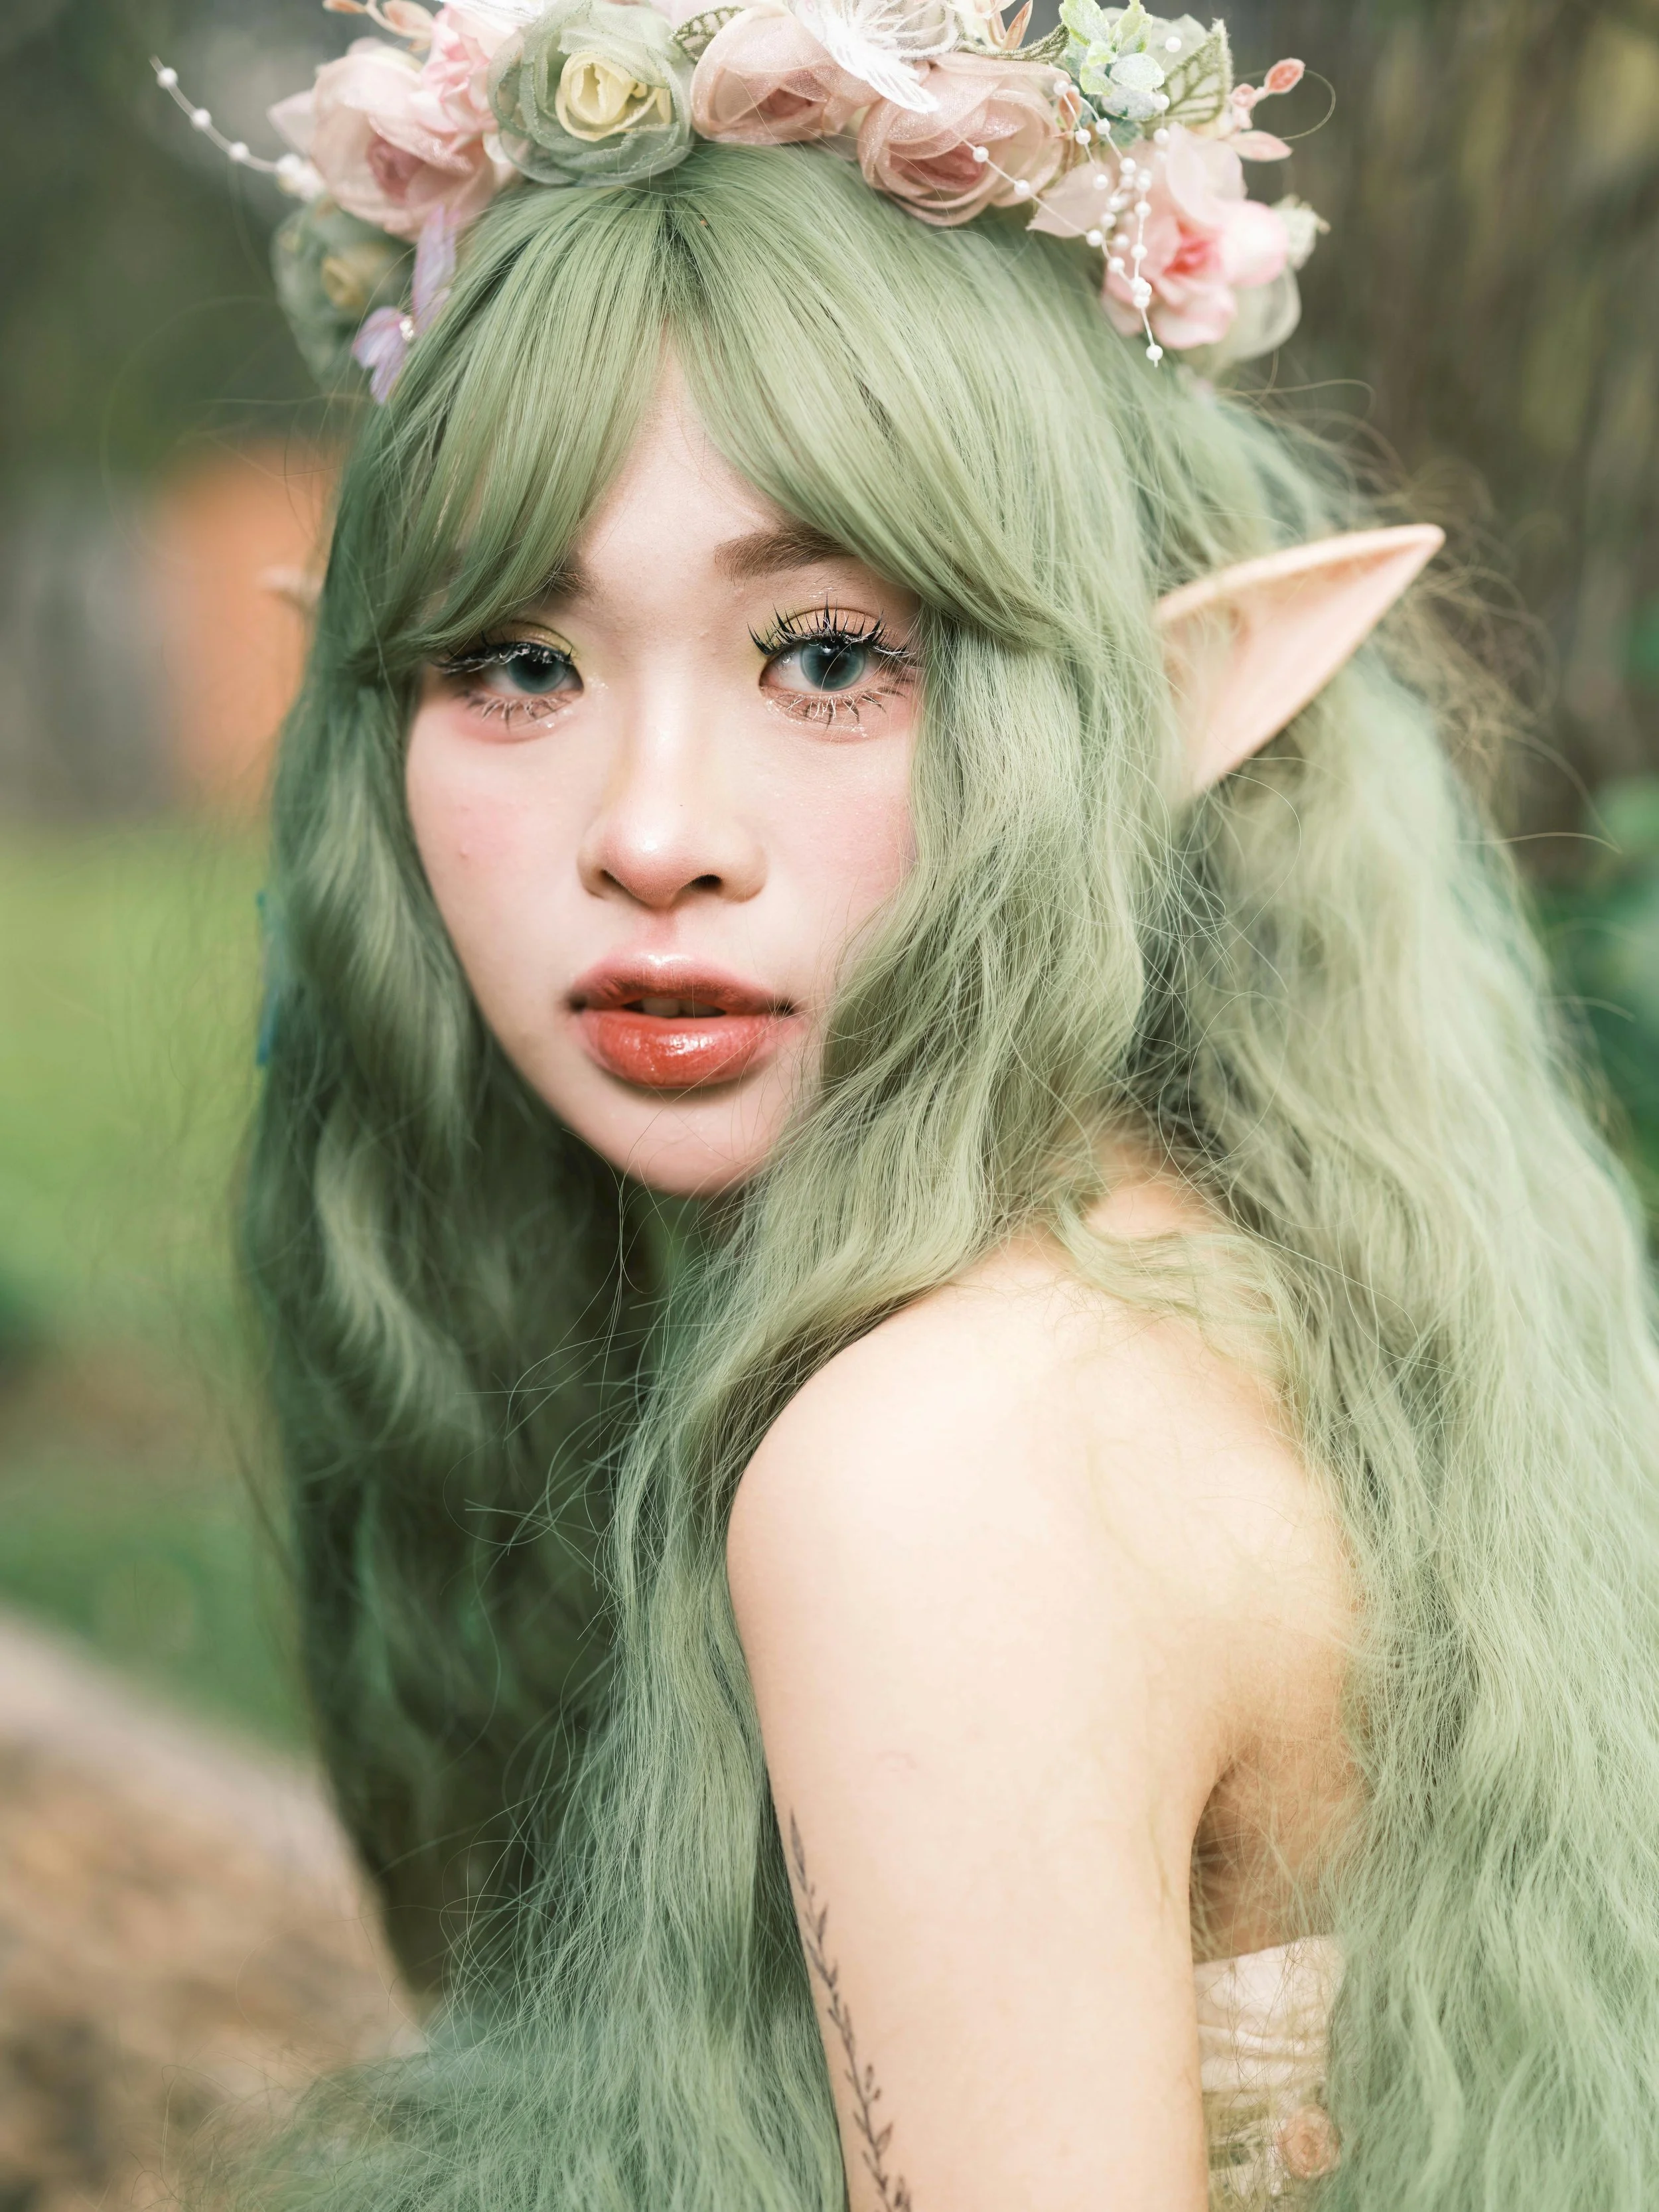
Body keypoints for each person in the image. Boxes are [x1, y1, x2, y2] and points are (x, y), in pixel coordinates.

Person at [165, 1, 1659, 2204]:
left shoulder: (935, 1474)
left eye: (833, 653)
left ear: (1163, 704)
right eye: (517, 660)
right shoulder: (1222, 1310)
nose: (654, 829)